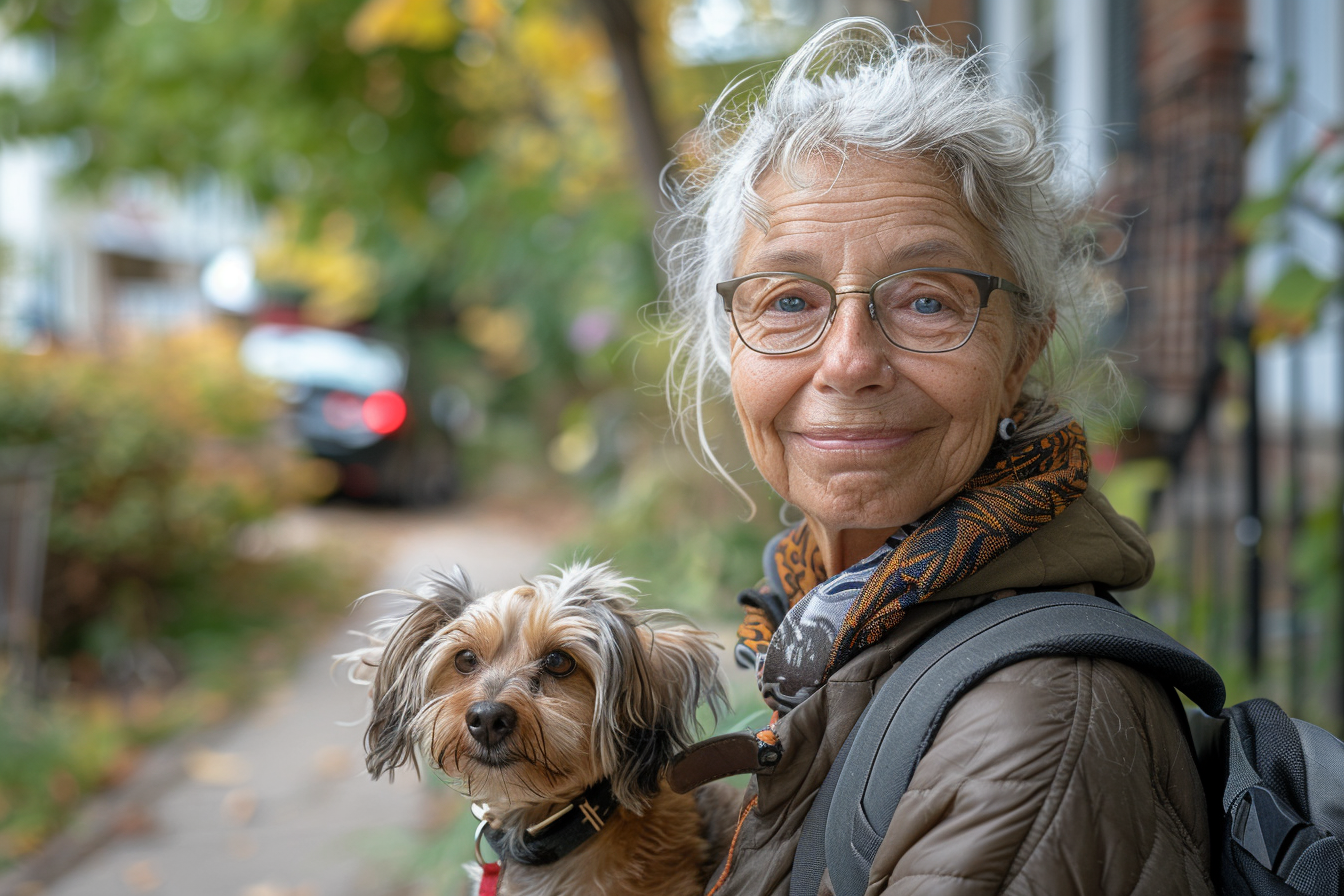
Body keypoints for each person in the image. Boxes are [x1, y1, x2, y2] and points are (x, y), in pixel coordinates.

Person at [656, 18, 1214, 896]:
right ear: (733, 346)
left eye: (925, 301)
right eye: (789, 299)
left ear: (1023, 348)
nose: (847, 360)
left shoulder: (1034, 730)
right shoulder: (826, 626)